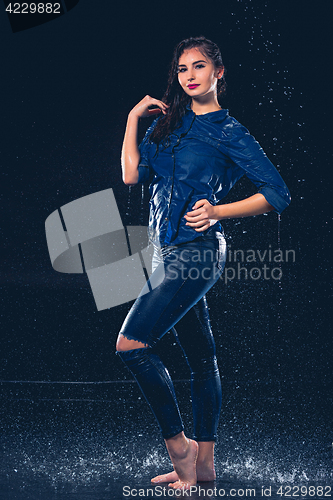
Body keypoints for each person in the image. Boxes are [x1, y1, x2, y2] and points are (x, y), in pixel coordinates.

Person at [116, 36, 291, 490]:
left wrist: (217, 211)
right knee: (201, 359)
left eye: (198, 66)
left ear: (218, 73)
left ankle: (183, 450)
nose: (189, 75)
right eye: (181, 69)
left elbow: (277, 194)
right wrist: (134, 119)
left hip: (198, 253)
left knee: (131, 346)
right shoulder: (169, 127)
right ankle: (204, 467)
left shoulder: (229, 132)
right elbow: (132, 174)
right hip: (168, 253)